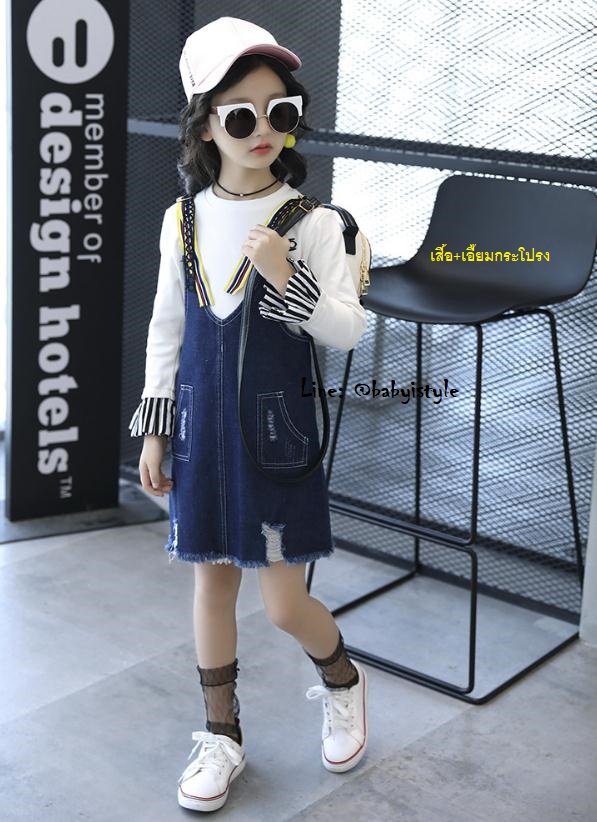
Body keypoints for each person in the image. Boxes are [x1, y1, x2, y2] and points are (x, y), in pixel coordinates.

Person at [128, 16, 369, 813]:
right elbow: (167, 328)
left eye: (281, 111)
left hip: (277, 435)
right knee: (211, 586)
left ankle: (343, 681)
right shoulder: (183, 220)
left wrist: (285, 276)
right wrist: (156, 427)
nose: (263, 129)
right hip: (202, 433)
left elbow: (346, 329)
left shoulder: (318, 224)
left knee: (283, 604)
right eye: (240, 115)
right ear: (204, 125)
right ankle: (220, 734)